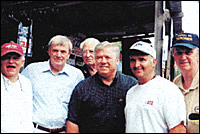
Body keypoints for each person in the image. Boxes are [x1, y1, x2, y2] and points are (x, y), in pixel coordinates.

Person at [66, 41, 137, 133]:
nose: (103, 61)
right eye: (99, 58)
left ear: (117, 60)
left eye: (107, 57)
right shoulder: (82, 88)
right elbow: (72, 121)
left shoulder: (131, 85)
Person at [21, 35, 84, 133]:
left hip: (63, 130)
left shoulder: (76, 75)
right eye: (55, 50)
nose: (59, 55)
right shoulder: (32, 70)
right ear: (49, 51)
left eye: (63, 51)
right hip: (36, 130)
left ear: (69, 54)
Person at [125, 41, 187, 133]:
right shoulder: (130, 92)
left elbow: (179, 129)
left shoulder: (167, 89)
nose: (136, 65)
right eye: (133, 60)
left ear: (154, 62)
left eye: (142, 59)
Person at [1, 42, 33, 133]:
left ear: (22, 62)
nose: (11, 61)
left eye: (15, 58)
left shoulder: (26, 83)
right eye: (6, 57)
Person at [172, 33, 199, 133]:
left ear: (198, 56)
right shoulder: (173, 85)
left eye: (188, 52)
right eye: (179, 53)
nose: (183, 57)